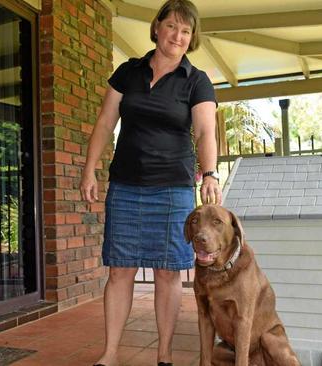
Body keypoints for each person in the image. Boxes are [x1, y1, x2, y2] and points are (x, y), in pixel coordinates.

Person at [79, 1, 221, 365]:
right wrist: (89, 168)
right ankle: (109, 354)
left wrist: (210, 173)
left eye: (186, 31)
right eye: (172, 26)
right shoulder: (128, 72)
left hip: (172, 189)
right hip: (125, 186)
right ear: (157, 27)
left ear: (192, 39)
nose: (177, 35)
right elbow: (105, 122)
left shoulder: (196, 80)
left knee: (168, 271)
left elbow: (206, 130)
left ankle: (164, 354)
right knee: (120, 269)